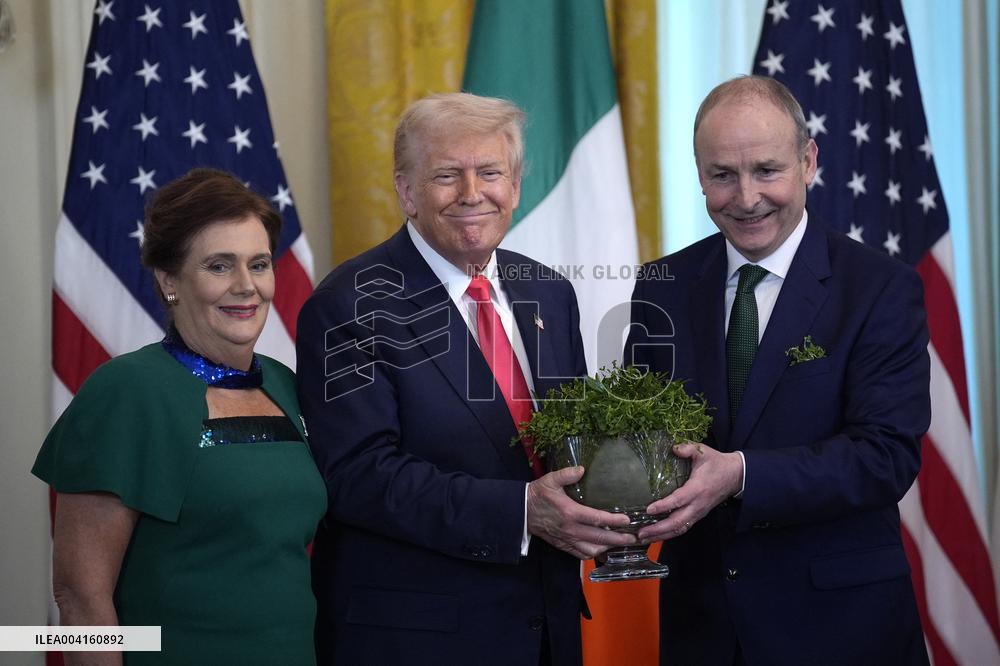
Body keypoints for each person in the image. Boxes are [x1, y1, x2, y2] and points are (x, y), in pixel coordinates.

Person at [296, 92, 635, 665]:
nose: (472, 193)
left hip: (546, 630)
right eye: (447, 175)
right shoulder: (348, 305)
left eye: (491, 173)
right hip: (421, 638)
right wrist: (520, 511)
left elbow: (567, 443)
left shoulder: (549, 291)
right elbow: (357, 476)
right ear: (407, 191)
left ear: (516, 186)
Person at [625, 76, 931, 665]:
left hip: (841, 629)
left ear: (808, 161)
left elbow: (886, 457)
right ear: (699, 175)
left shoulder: (880, 288)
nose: (746, 198)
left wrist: (740, 475)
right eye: (722, 174)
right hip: (703, 630)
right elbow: (646, 441)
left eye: (767, 170)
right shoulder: (661, 287)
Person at [33, 168, 326, 665]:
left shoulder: (286, 384)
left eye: (258, 264)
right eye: (219, 266)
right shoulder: (127, 391)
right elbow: (79, 597)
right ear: (169, 279)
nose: (246, 286)